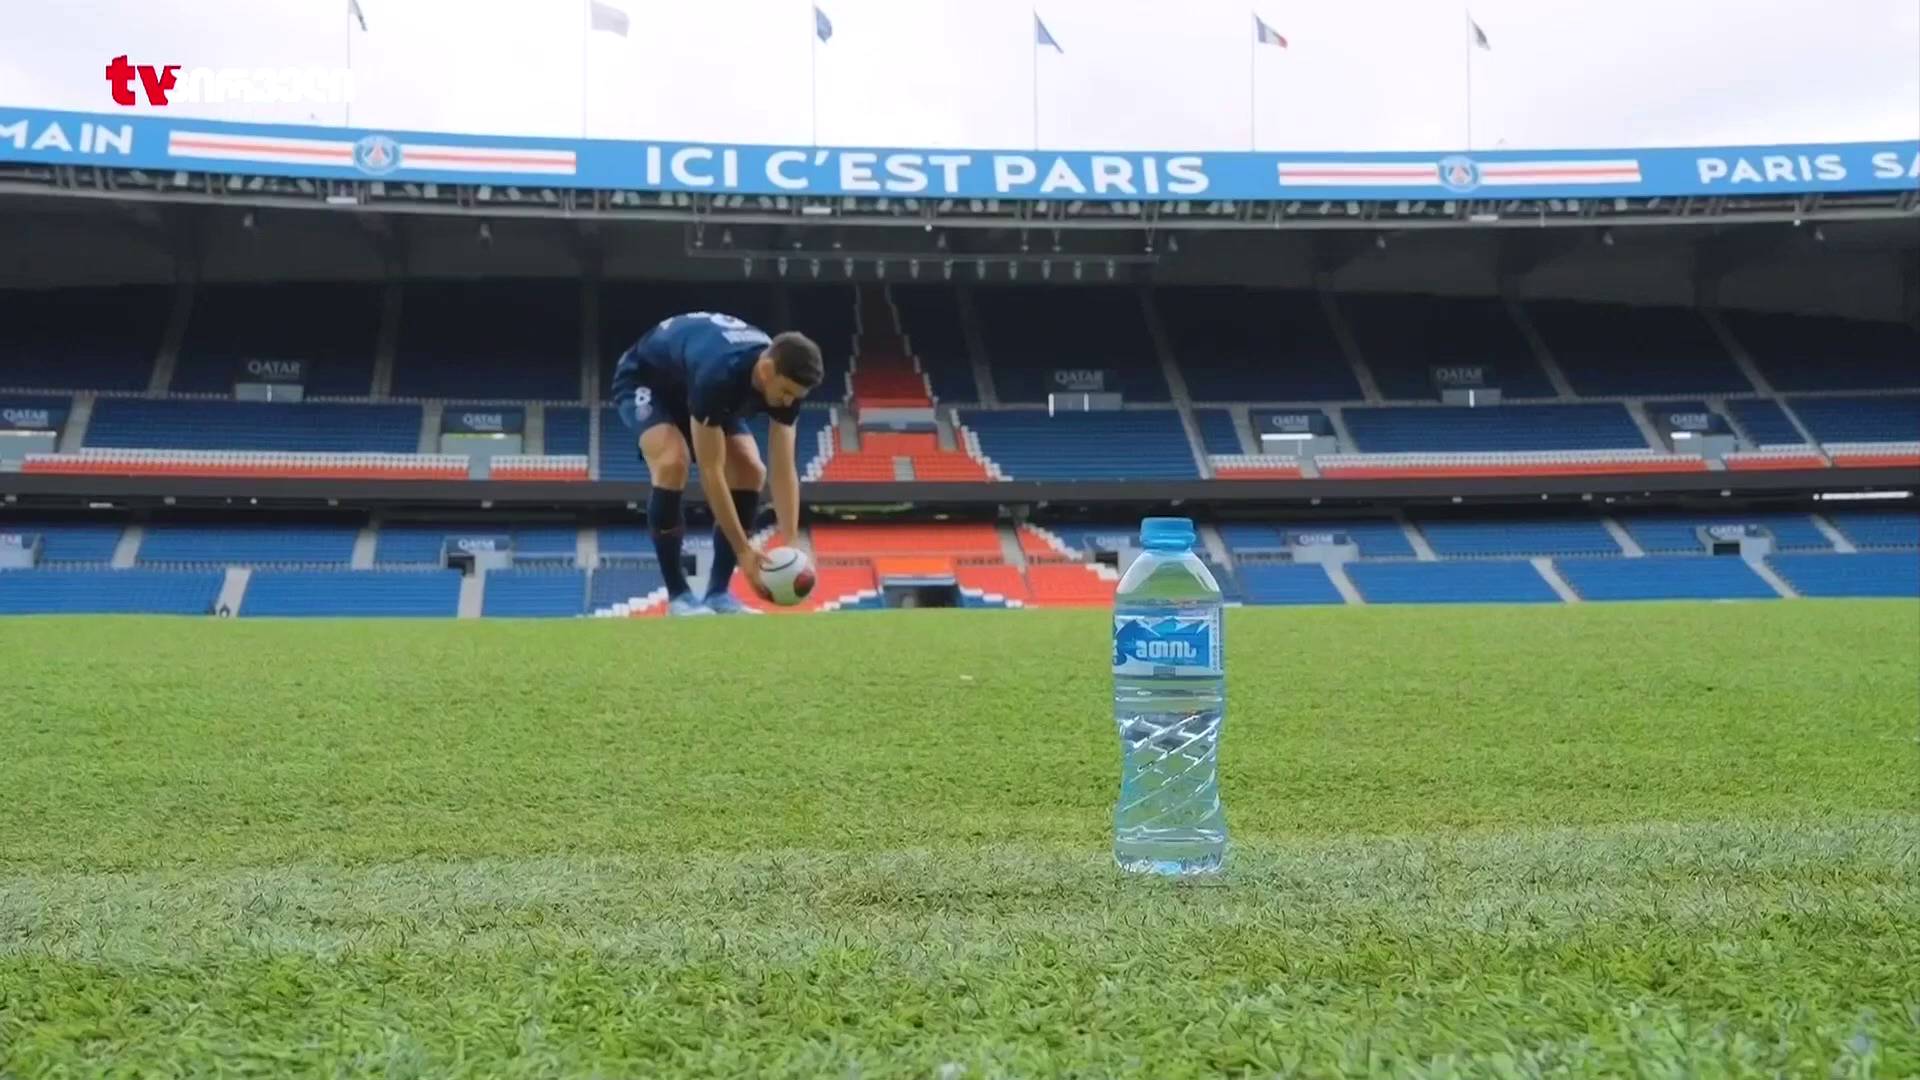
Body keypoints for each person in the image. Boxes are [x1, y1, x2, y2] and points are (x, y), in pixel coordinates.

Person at [610, 311, 824, 615]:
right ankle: (679, 596)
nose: (790, 401)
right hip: (648, 380)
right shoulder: (719, 374)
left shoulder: (785, 379)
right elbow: (711, 472)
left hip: (700, 387)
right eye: (787, 392)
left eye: (797, 396)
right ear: (766, 371)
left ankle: (718, 595)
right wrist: (744, 551)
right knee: (673, 462)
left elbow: (783, 469)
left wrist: (791, 541)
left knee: (751, 470)